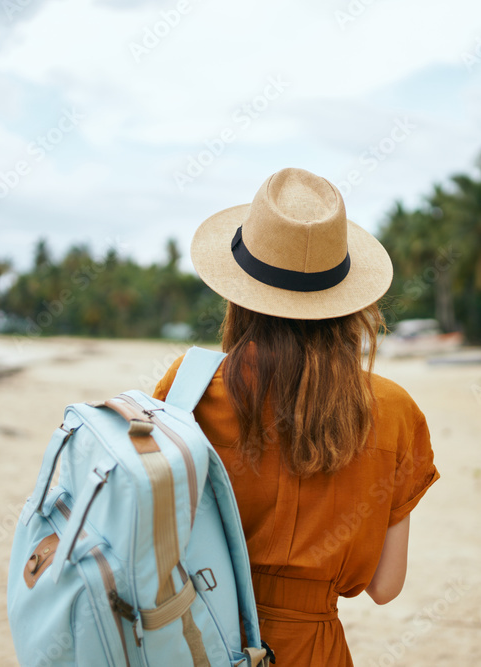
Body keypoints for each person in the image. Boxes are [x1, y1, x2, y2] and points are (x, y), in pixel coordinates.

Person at [153, 167, 440, 666]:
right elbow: (386, 586)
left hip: (201, 639)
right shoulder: (394, 412)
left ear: (240, 289)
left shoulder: (191, 387)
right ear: (346, 301)